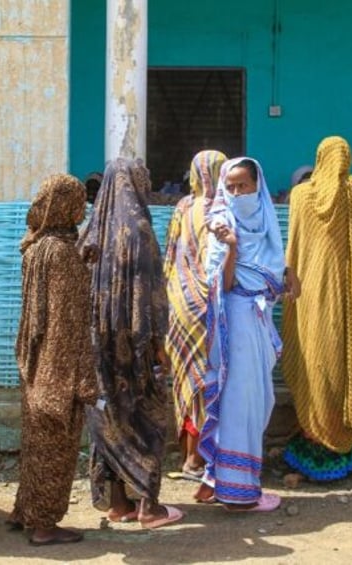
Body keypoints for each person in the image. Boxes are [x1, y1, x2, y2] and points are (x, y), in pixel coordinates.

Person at [77, 158, 184, 529]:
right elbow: (151, 294)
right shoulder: (139, 230)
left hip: (96, 348)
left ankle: (119, 503)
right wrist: (158, 346)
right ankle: (149, 508)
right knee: (146, 417)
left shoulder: (92, 231)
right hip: (134, 351)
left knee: (108, 418)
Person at [7, 174, 99, 545]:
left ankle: (24, 511)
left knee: (34, 447)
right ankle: (44, 525)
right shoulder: (62, 253)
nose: (83, 209)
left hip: (35, 364)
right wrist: (77, 378)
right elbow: (65, 320)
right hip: (56, 368)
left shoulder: (37, 245)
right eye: (78, 201)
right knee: (56, 450)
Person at [192, 157, 286, 512]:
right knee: (241, 403)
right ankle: (238, 493)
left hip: (258, 320)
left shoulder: (265, 219)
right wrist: (231, 247)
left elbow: (271, 273)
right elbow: (224, 285)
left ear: (256, 185)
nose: (236, 193)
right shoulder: (223, 223)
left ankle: (215, 480)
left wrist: (284, 276)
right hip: (238, 323)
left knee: (257, 400)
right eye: (229, 187)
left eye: (242, 186)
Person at [280, 136, 352, 481]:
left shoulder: (300, 195)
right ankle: (336, 449)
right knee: (337, 365)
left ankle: (310, 443)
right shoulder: (351, 192)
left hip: (306, 294)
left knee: (312, 365)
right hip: (342, 294)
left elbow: (294, 245)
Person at [162, 150, 227, 480]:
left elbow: (170, 257)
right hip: (210, 307)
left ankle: (189, 456)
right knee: (209, 382)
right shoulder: (222, 210)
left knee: (188, 379)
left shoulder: (182, 207)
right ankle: (198, 460)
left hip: (181, 305)